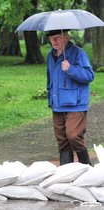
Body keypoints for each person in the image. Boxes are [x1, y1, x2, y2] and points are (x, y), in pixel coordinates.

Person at [46, 29, 94, 166]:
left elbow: (89, 75)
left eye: (57, 37)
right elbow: (50, 79)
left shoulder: (78, 53)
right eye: (51, 38)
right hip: (58, 104)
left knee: (73, 135)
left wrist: (70, 69)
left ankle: (87, 168)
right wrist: (51, 99)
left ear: (66, 37)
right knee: (62, 140)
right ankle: (65, 172)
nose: (54, 41)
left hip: (76, 104)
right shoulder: (51, 55)